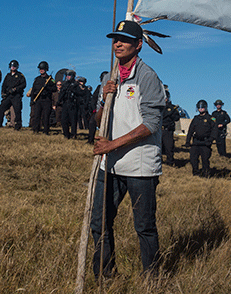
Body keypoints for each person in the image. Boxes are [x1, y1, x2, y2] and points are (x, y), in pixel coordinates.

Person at [91, 20, 166, 279]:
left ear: (138, 45)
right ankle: (105, 275)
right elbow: (98, 119)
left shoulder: (148, 77)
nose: (118, 43)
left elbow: (151, 125)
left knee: (144, 226)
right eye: (115, 39)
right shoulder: (107, 76)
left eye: (124, 40)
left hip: (139, 165)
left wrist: (111, 144)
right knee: (98, 222)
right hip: (109, 164)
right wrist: (104, 97)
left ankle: (152, 278)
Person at [185, 99, 217, 177]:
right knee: (193, 159)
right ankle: (195, 173)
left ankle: (206, 174)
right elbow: (190, 130)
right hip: (196, 142)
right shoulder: (196, 118)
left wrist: (211, 139)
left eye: (202, 108)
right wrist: (188, 141)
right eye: (199, 108)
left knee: (205, 160)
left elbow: (215, 130)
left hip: (206, 142)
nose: (200, 109)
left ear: (205, 108)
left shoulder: (211, 118)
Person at [28, 61, 56, 134]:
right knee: (36, 115)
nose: (41, 70)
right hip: (38, 100)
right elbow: (33, 90)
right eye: (40, 69)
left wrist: (47, 88)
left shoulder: (50, 79)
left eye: (43, 69)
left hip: (46, 100)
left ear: (46, 69)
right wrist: (32, 100)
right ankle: (36, 130)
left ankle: (46, 131)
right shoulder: (37, 79)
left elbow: (55, 88)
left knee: (46, 116)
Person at [0, 60, 26, 130]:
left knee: (17, 110)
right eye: (12, 66)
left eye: (14, 66)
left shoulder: (20, 76)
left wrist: (16, 89)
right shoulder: (8, 76)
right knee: (1, 108)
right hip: (8, 96)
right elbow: (4, 85)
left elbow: (23, 85)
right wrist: (3, 93)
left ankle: (18, 125)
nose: (13, 67)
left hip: (16, 96)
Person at [88, 71, 109, 144]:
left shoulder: (112, 87)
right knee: (91, 123)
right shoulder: (99, 88)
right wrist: (94, 109)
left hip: (109, 110)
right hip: (98, 110)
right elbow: (94, 99)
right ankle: (90, 140)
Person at [59, 70, 79, 138]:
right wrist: (59, 101)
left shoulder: (76, 84)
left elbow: (79, 94)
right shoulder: (65, 84)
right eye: (67, 76)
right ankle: (66, 134)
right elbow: (61, 94)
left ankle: (73, 134)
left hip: (73, 104)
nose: (67, 77)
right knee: (64, 120)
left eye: (69, 76)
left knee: (73, 120)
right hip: (65, 103)